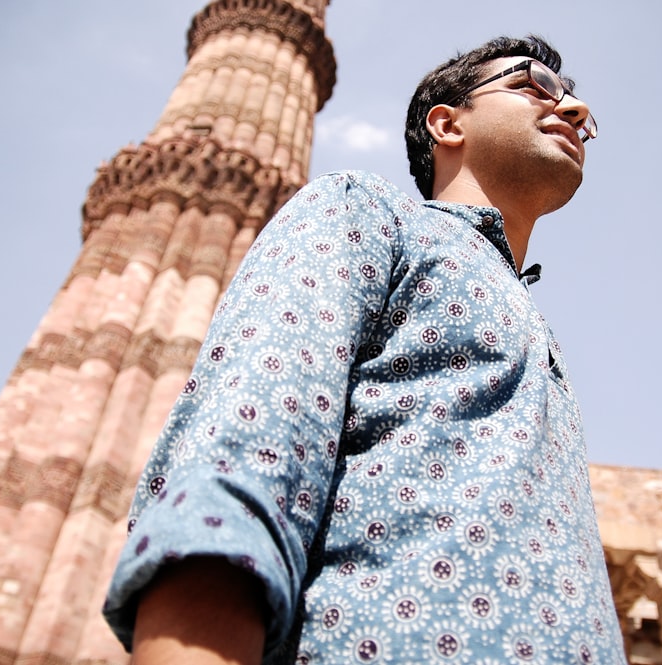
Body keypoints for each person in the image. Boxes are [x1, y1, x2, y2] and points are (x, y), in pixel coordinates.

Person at [104, 34, 626, 664]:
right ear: (447, 123)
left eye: (578, 103)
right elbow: (246, 449)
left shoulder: (534, 325)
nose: (571, 108)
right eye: (532, 84)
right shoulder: (370, 216)